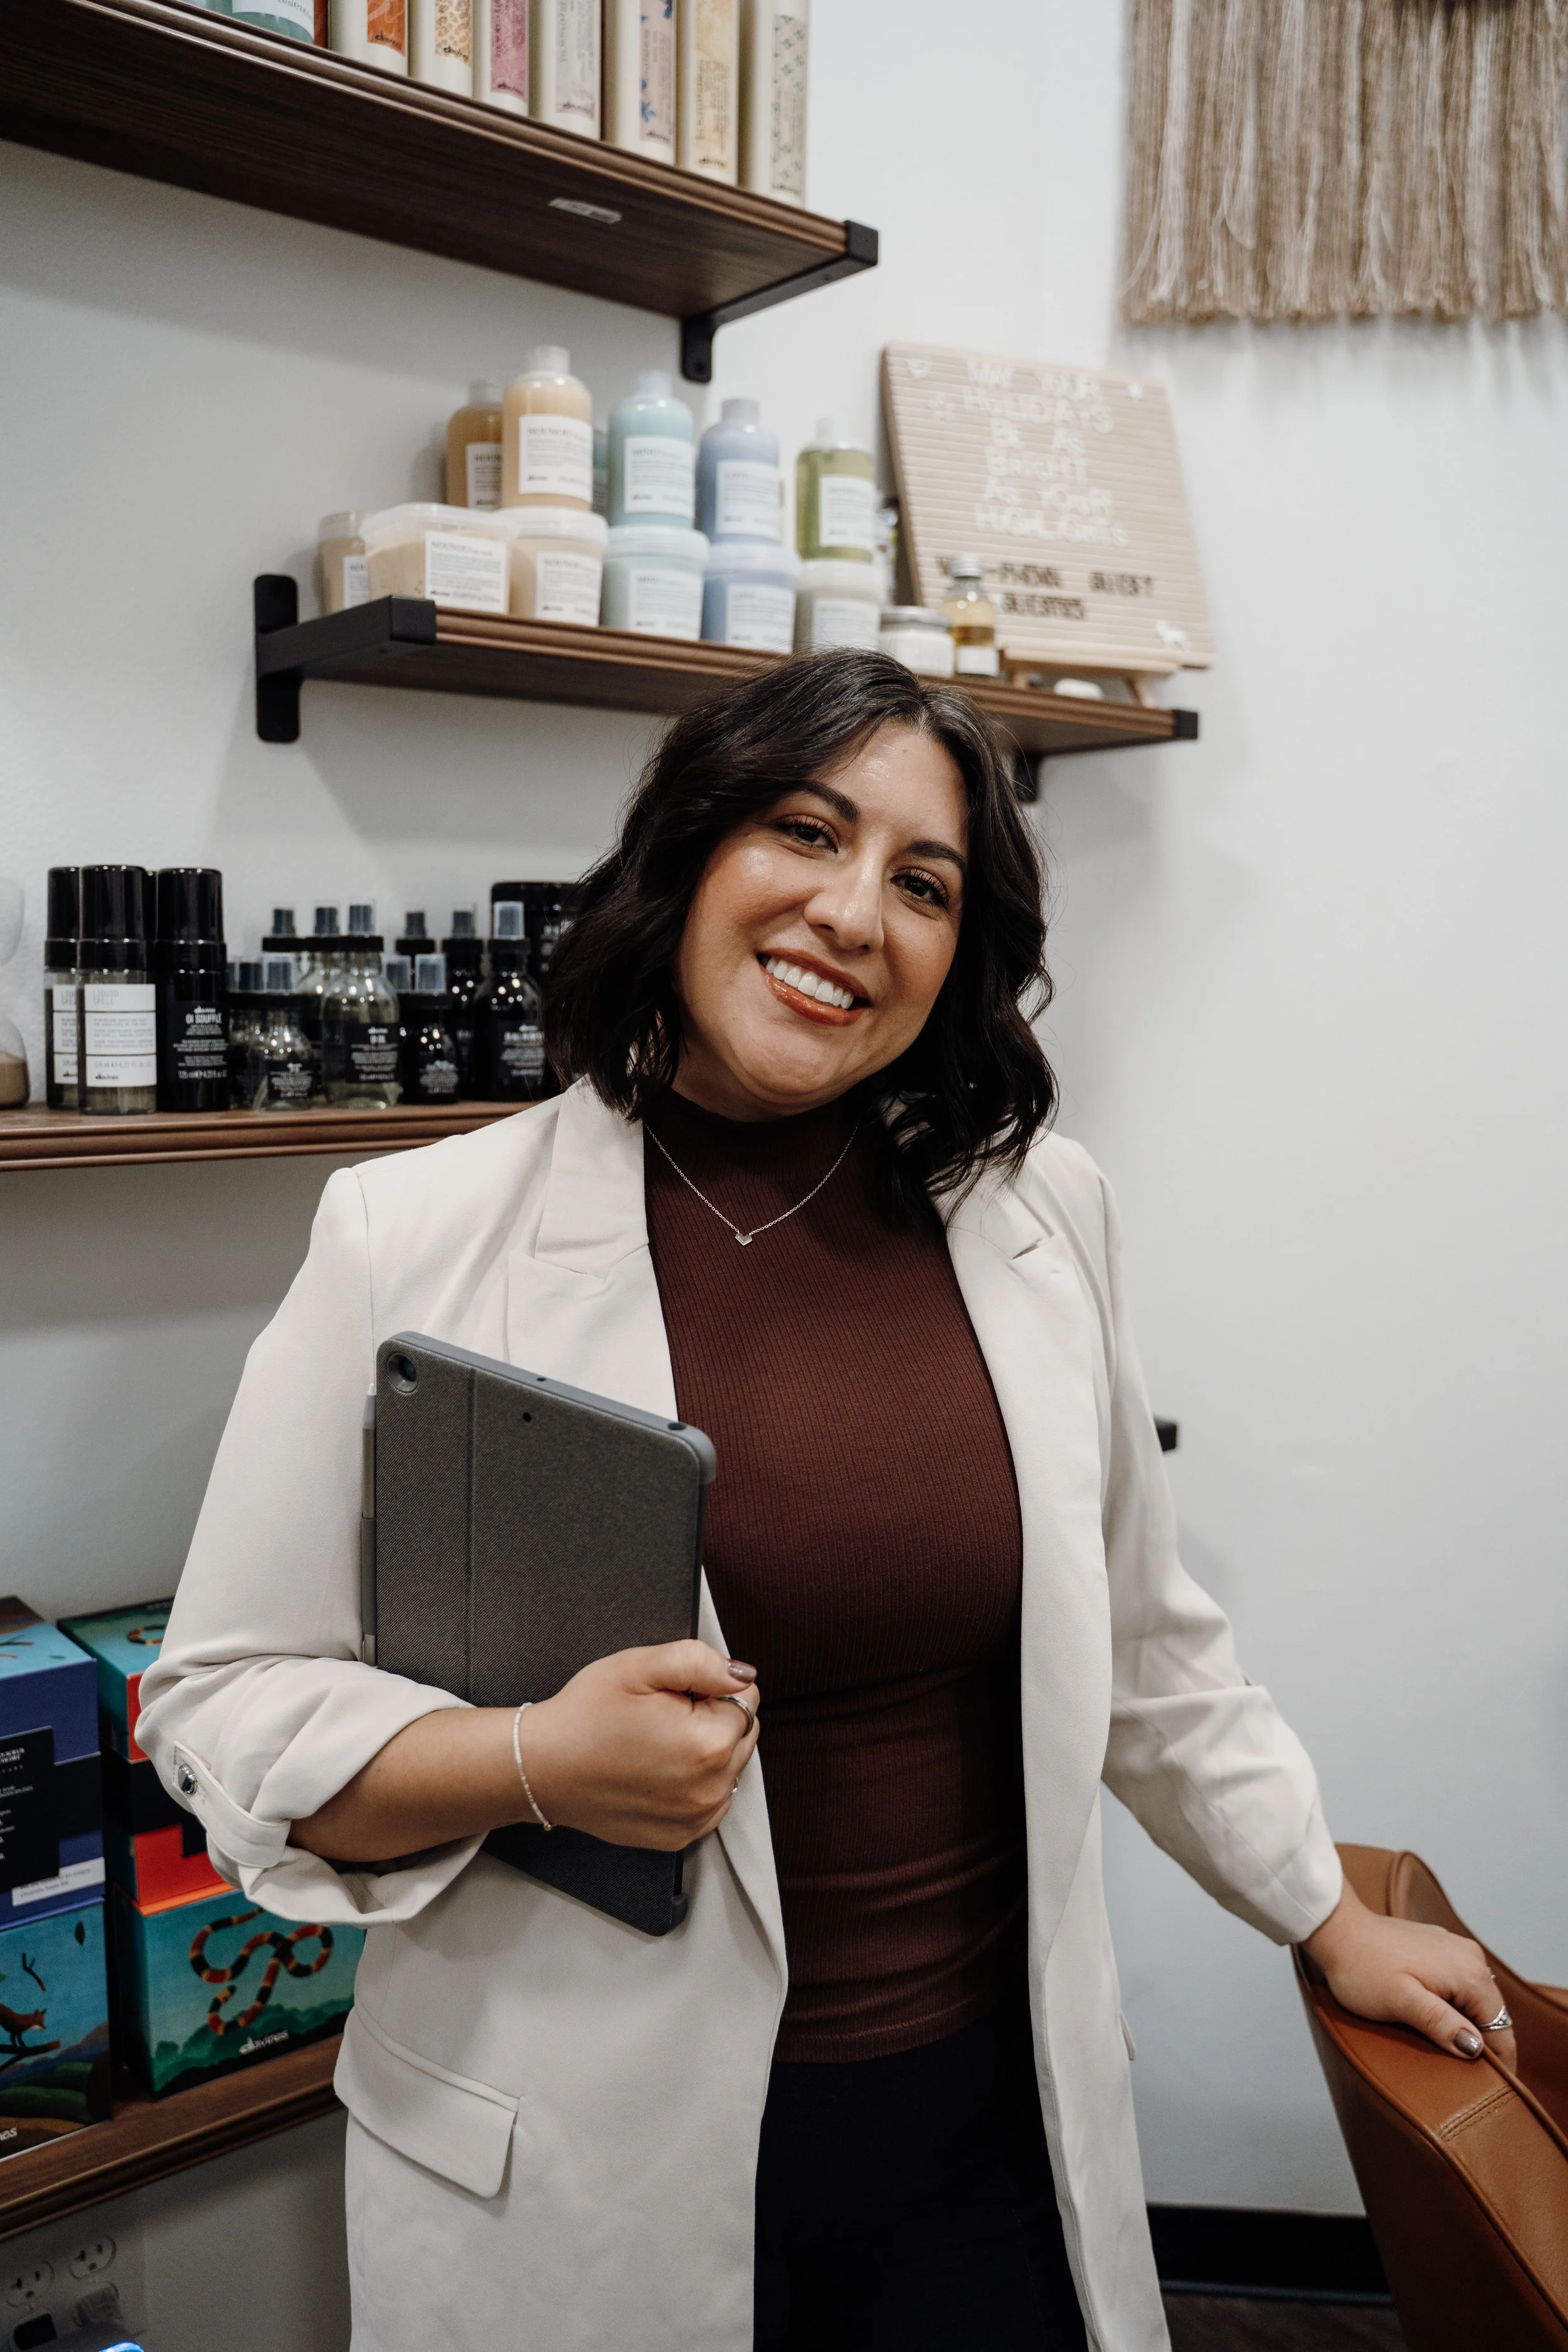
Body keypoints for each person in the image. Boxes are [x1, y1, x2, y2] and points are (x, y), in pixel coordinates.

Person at [139, 652, 1514, 2352]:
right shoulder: (414, 1235)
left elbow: (1153, 1653)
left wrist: (1321, 1911)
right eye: (806, 829)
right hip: (581, 2166)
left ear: (962, 955)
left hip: (978, 2143)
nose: (853, 911)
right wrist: (532, 1762)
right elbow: (220, 1701)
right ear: (693, 852)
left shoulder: (1035, 1214)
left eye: (922, 882)